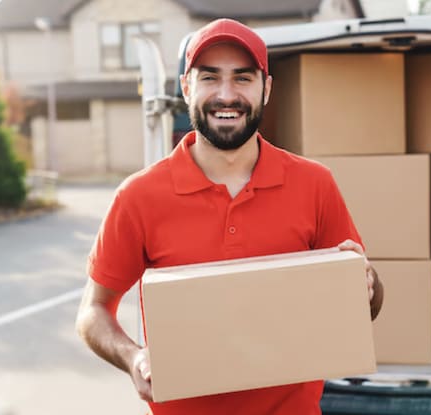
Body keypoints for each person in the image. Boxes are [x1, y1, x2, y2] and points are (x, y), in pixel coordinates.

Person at [76, 18, 384, 415]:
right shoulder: (139, 196)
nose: (226, 94)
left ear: (266, 89)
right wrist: (133, 357)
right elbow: (93, 311)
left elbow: (366, 305)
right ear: (187, 88)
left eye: (242, 78)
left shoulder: (314, 184)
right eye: (210, 78)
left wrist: (368, 285)